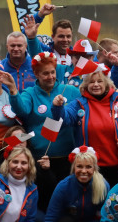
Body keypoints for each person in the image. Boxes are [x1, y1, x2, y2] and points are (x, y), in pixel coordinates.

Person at [7, 51, 81, 212]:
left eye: (53, 72)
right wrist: (13, 90)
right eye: (45, 73)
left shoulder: (70, 91)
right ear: (36, 74)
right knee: (44, 203)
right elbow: (21, 109)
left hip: (67, 158)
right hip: (41, 159)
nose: (50, 76)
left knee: (66, 205)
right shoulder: (30, 93)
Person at [59, 66, 118, 186]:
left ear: (107, 83)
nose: (96, 85)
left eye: (99, 81)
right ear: (85, 85)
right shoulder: (79, 104)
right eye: (91, 82)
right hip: (91, 169)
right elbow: (64, 119)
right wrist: (57, 107)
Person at [44, 146, 109, 222]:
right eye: (79, 166)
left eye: (88, 167)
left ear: (94, 168)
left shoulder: (103, 186)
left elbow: (102, 219)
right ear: (74, 167)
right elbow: (49, 221)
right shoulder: (63, 187)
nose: (84, 171)